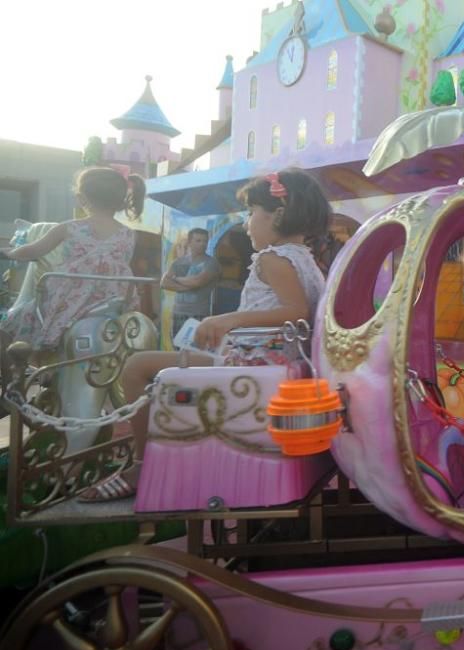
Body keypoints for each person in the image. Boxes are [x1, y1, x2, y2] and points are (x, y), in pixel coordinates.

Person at [79, 169, 330, 501]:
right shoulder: (307, 261)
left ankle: (141, 465)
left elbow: (296, 311)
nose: (245, 223)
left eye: (252, 212)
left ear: (278, 215)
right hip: (264, 359)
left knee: (136, 366)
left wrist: (230, 319)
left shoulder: (273, 259)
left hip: (249, 365)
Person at [0, 167, 145, 351]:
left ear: (82, 198)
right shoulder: (129, 234)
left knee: (8, 328)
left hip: (69, 302)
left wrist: (8, 253)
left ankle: (18, 376)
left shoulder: (69, 228)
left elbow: (33, 251)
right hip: (113, 303)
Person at [161, 228, 221, 339]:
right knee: (177, 347)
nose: (202, 244)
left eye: (205, 241)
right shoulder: (178, 262)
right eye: (198, 241)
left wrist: (175, 278)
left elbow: (197, 281)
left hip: (198, 314)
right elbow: (164, 283)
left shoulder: (211, 263)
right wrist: (185, 286)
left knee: (195, 349)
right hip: (178, 313)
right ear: (189, 242)